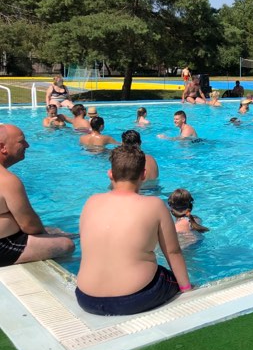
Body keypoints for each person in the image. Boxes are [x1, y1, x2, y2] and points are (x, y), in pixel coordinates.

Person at [75, 145, 191, 315]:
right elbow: (173, 252)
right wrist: (186, 289)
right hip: (133, 299)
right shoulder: (155, 205)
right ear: (143, 175)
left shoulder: (91, 202)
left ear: (110, 174)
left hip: (86, 299)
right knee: (171, 277)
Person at [0, 125, 75, 266]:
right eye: (21, 141)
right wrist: (45, 235)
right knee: (66, 244)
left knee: (54, 231)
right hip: (3, 246)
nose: (27, 145)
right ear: (3, 147)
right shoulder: (7, 180)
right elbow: (29, 225)